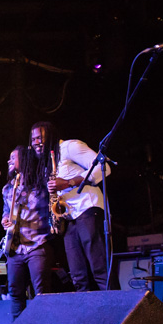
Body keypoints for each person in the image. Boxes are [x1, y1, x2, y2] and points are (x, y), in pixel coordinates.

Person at [31, 121, 110, 291]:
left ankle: (117, 311)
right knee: (77, 275)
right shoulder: (48, 162)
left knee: (99, 267)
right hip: (69, 218)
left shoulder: (69, 147)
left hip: (86, 209)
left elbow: (104, 167)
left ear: (50, 135)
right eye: (33, 139)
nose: (36, 142)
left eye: (39, 137)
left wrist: (68, 182)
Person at [1, 145, 56, 319]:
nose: (9, 160)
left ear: (24, 160)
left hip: (37, 244)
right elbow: (5, 211)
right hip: (15, 247)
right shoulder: (8, 188)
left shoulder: (40, 185)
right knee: (15, 293)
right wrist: (4, 219)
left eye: (13, 157)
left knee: (41, 292)